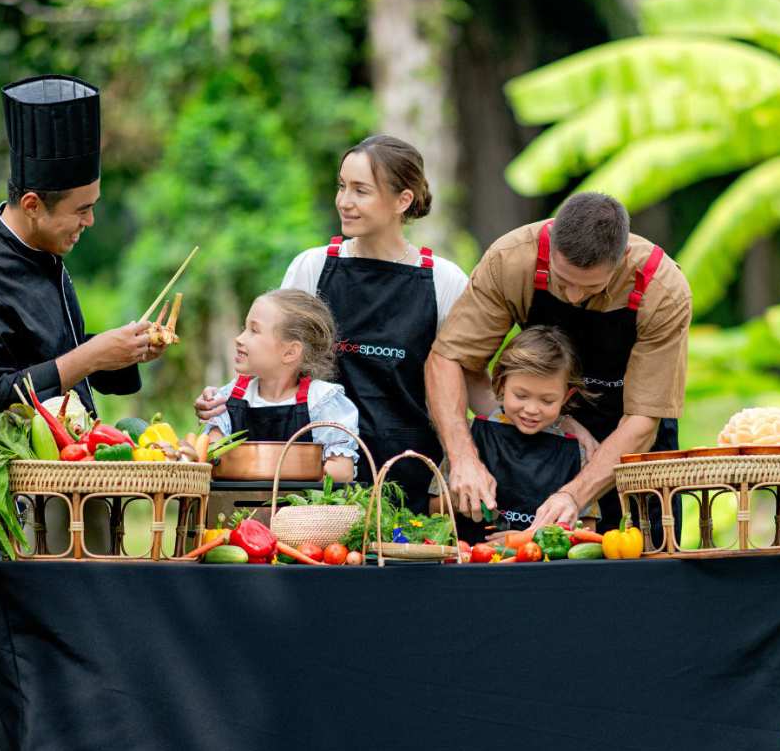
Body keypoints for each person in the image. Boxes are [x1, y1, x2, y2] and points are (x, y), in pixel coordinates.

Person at [0, 74, 163, 751]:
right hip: (9, 522)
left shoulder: (48, 257)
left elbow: (60, 370)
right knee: (15, 702)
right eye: (80, 209)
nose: (89, 221)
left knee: (81, 696)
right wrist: (89, 356)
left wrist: (123, 354)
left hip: (74, 515)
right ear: (32, 203)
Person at [196, 135, 484, 511]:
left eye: (361, 190)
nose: (344, 201)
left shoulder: (444, 280)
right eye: (342, 186)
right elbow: (273, 360)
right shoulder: (312, 267)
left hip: (410, 476)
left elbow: (467, 380)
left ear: (403, 200)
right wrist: (222, 403)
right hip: (315, 484)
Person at [425, 191, 691, 541]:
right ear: (549, 248)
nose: (574, 297)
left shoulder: (662, 290)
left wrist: (573, 496)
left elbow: (643, 420)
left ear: (623, 258)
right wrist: (463, 458)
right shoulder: (511, 260)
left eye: (591, 286)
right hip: (542, 430)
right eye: (562, 281)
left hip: (633, 439)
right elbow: (449, 358)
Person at [439, 326, 600, 543]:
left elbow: (588, 531)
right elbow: (435, 508)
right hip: (470, 559)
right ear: (502, 383)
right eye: (521, 395)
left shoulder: (575, 452)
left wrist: (527, 540)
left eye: (547, 401)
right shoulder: (469, 438)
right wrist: (458, 498)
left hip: (542, 564)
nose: (531, 409)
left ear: (566, 396)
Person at [202, 289, 360, 482]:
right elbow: (212, 456)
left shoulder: (322, 402)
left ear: (290, 352)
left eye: (254, 330)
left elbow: (342, 471)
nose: (239, 338)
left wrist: (267, 469)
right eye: (244, 328)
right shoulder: (230, 397)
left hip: (302, 503)